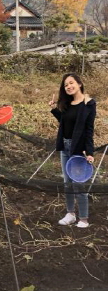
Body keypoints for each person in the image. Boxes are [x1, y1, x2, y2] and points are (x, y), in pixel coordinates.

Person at [49, 73, 95, 228]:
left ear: (79, 84)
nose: (68, 86)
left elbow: (88, 129)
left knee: (78, 183)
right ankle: (70, 214)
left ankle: (83, 218)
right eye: (65, 85)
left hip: (78, 148)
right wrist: (54, 109)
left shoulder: (88, 104)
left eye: (71, 83)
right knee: (67, 183)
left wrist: (89, 152)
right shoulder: (67, 104)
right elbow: (65, 123)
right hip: (65, 146)